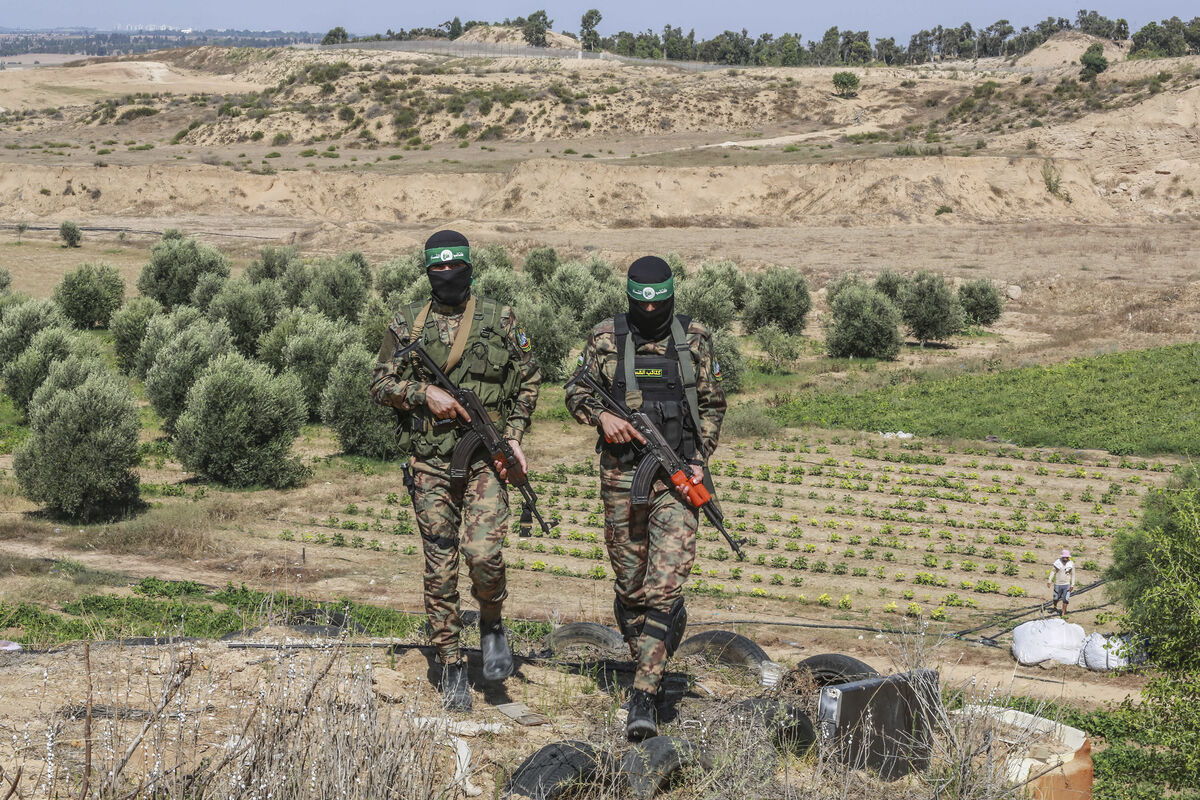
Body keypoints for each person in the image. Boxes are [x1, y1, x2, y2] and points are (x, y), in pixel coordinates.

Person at [370, 230, 541, 711]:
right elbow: (380, 381)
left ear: (469, 270)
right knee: (439, 565)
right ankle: (448, 664)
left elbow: (529, 379)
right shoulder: (407, 323)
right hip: (429, 463)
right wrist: (425, 395)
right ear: (428, 273)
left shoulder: (501, 318)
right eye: (437, 272)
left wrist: (513, 435)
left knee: (484, 555)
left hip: (486, 458)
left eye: (455, 271)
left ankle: (491, 622)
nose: (447, 279)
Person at [565, 255, 726, 740]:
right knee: (631, 584)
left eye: (659, 307)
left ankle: (644, 693)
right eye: (643, 307)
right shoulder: (604, 338)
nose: (651, 315)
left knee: (664, 584)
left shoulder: (694, 338)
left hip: (677, 479)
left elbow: (713, 403)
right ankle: (650, 655)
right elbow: (574, 391)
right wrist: (600, 417)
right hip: (621, 478)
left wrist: (700, 458)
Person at [1047, 548, 1076, 618]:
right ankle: (1055, 606)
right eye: (1064, 557)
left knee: (1066, 599)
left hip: (1066, 584)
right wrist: (1049, 580)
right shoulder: (1057, 562)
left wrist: (1072, 584)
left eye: (1067, 557)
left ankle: (1063, 612)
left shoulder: (1071, 564)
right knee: (1056, 598)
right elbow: (1053, 572)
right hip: (1058, 583)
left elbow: (1073, 574)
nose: (1065, 558)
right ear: (1062, 556)